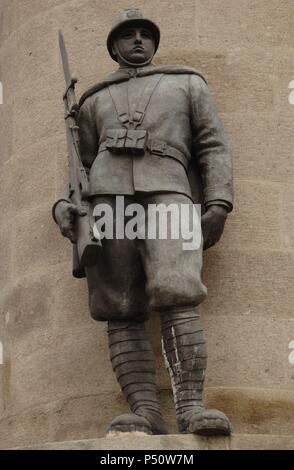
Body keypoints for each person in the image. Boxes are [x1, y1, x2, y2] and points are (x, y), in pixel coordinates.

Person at [53, 7, 234, 436]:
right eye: (128, 35)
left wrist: (219, 202)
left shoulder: (187, 83)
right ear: (114, 46)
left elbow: (212, 145)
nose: (137, 40)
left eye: (144, 34)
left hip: (169, 193)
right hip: (106, 202)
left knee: (178, 292)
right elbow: (78, 163)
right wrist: (63, 204)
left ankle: (190, 409)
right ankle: (144, 410)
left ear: (154, 42)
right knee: (118, 305)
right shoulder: (93, 99)